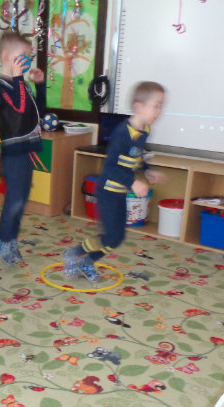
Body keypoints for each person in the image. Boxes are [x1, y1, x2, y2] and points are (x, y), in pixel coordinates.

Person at [63, 81, 165, 282]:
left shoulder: (144, 130)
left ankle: (87, 261)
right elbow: (110, 167)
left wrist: (147, 171)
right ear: (138, 107)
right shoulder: (122, 133)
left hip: (120, 193)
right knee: (110, 236)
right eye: (156, 105)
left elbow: (136, 156)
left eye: (161, 106)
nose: (159, 111)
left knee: (117, 238)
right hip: (108, 192)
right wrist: (133, 183)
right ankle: (76, 253)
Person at [0, 32, 46, 266]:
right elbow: (20, 108)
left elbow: (37, 112)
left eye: (28, 56)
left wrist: (39, 86)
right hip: (13, 154)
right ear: (6, 56)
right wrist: (18, 78)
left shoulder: (21, 85)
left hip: (26, 151)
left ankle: (11, 238)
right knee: (13, 200)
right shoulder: (1, 86)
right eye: (22, 55)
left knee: (22, 200)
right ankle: (2, 240)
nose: (27, 60)